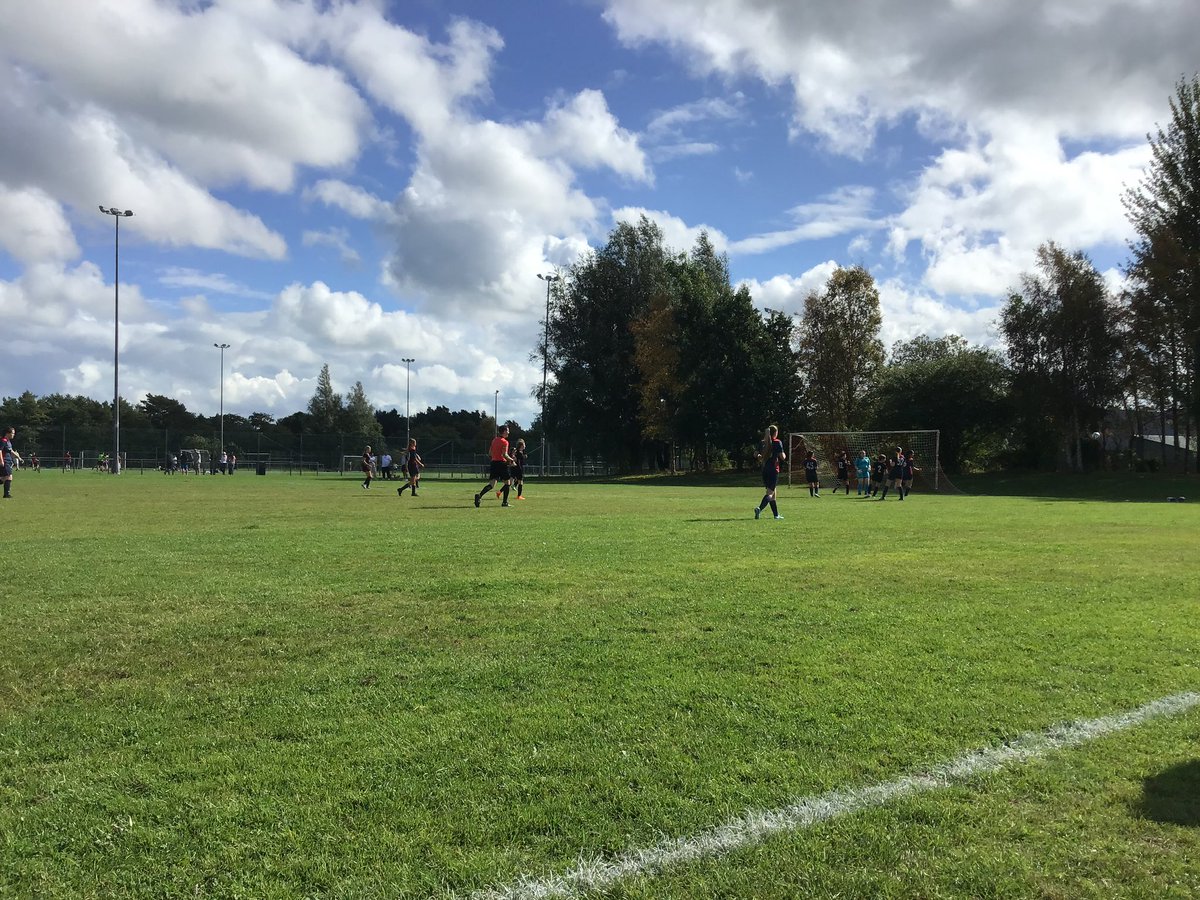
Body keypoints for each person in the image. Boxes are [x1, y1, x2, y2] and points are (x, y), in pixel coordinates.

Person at [474, 425, 515, 507]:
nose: (508, 432)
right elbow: (505, 454)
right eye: (507, 431)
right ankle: (505, 502)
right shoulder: (505, 442)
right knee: (508, 483)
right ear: (504, 431)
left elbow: (490, 453)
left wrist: (495, 457)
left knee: (492, 485)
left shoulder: (494, 440)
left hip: (493, 463)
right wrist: (512, 460)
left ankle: (479, 495)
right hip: (501, 464)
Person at [753, 425, 786, 520]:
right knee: (770, 494)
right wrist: (784, 454)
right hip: (773, 470)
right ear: (775, 433)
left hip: (765, 470)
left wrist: (759, 456)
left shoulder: (762, 442)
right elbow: (782, 457)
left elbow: (755, 454)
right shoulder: (777, 442)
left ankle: (776, 515)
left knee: (773, 493)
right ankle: (759, 508)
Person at [2, 427, 22, 498]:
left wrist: (19, 457)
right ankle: (6, 494)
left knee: (5, 477)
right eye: (12, 433)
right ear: (8, 433)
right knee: (8, 477)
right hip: (5, 461)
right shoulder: (4, 440)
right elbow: (0, 451)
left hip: (7, 461)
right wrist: (1, 461)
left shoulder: (8, 441)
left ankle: (6, 494)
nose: (13, 435)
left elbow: (11, 451)